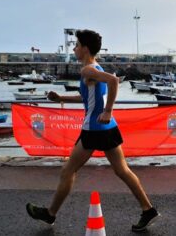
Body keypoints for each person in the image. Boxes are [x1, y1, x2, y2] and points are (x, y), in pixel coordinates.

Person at [26, 29, 159, 232]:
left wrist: (107, 110)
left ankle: (50, 214)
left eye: (77, 45)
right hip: (107, 127)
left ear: (85, 49)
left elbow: (114, 81)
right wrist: (62, 99)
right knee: (122, 171)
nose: (74, 48)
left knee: (68, 170)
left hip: (94, 129)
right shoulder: (95, 68)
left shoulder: (87, 70)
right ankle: (148, 209)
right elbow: (87, 97)